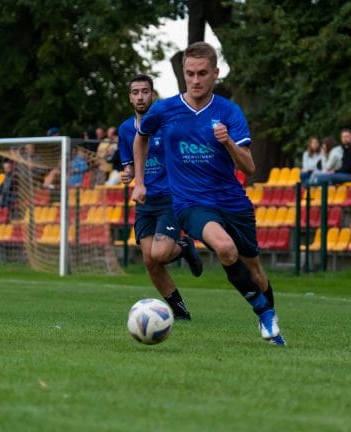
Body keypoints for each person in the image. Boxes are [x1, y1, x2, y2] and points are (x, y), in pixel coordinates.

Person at [131, 42, 286, 346]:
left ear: (215, 73)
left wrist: (228, 143)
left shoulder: (229, 111)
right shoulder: (165, 109)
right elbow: (141, 138)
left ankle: (268, 316)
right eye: (190, 74)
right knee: (225, 248)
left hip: (232, 202)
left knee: (255, 269)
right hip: (191, 203)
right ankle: (264, 314)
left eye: (202, 73)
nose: (196, 80)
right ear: (183, 75)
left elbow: (250, 166)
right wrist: (139, 181)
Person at [118, 74, 203, 320]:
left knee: (160, 254)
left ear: (152, 95)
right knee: (150, 261)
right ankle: (180, 312)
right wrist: (127, 175)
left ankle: (185, 246)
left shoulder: (166, 124)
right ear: (130, 97)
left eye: (145, 91)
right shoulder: (125, 129)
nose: (140, 96)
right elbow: (130, 164)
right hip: (145, 201)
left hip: (170, 197)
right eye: (135, 92)